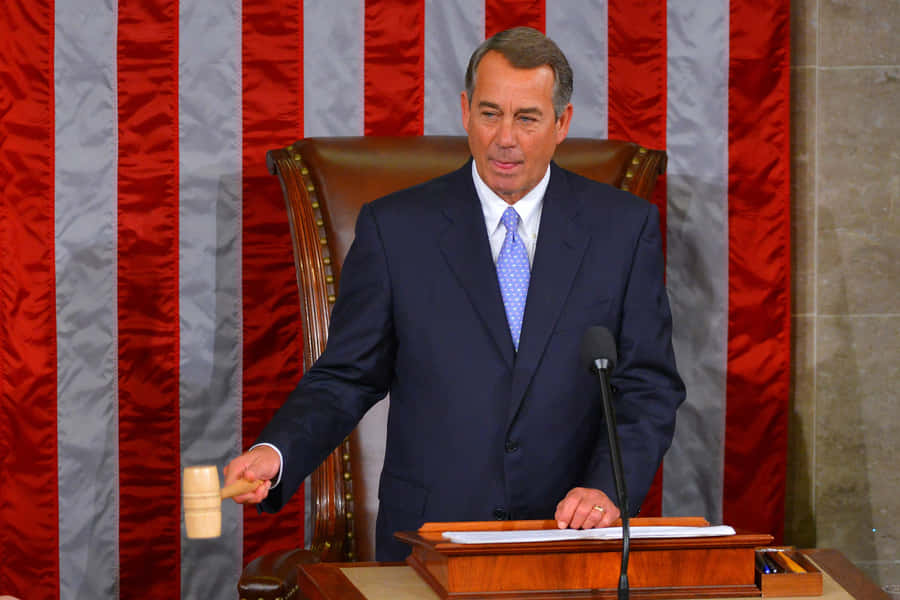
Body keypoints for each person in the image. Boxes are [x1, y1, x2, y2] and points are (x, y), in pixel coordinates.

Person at [224, 26, 684, 561]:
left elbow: (647, 387)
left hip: (568, 537)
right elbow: (348, 374)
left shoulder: (622, 230)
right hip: (427, 541)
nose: (504, 137)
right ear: (465, 111)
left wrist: (606, 490)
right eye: (490, 114)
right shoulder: (395, 229)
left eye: (527, 118)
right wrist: (275, 452)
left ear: (562, 123)